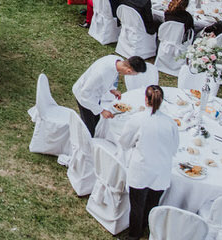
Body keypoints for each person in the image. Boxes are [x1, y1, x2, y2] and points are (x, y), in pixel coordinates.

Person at [121, 85, 179, 240]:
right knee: (152, 203)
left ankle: (134, 235)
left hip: (142, 169)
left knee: (137, 205)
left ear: (146, 100)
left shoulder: (137, 119)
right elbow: (174, 149)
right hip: (161, 170)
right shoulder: (171, 123)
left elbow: (125, 142)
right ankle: (145, 227)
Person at [72, 54, 147, 135]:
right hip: (84, 97)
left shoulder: (117, 61)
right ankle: (84, 141)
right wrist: (102, 111)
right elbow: (85, 93)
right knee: (89, 127)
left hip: (95, 95)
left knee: (96, 120)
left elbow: (109, 79)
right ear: (128, 71)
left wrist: (112, 90)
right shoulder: (100, 73)